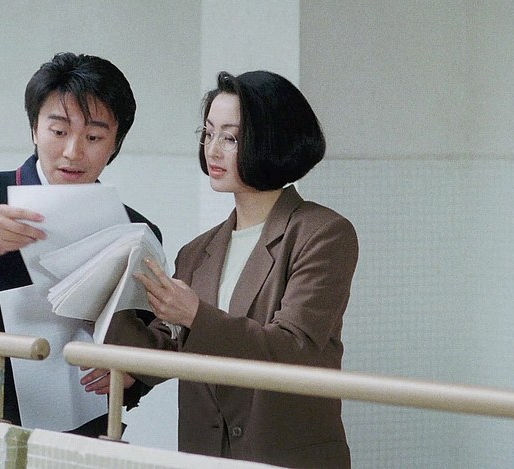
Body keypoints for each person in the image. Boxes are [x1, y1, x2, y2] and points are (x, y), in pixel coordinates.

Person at [84, 70, 358, 466]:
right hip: (205, 454)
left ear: (272, 141)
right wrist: (133, 367)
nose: (212, 150)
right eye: (208, 133)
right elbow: (169, 339)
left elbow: (292, 347)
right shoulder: (198, 251)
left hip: (283, 454)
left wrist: (195, 314)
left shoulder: (323, 233)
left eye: (230, 138)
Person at [0, 52, 161, 437]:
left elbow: (149, 335)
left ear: (115, 144)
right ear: (35, 129)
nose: (73, 152)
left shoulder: (135, 228)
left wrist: (134, 374)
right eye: (59, 132)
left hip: (89, 429)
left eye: (93, 137)